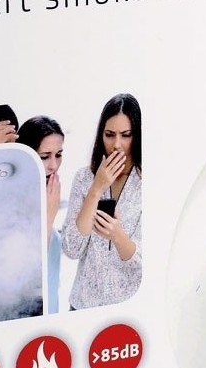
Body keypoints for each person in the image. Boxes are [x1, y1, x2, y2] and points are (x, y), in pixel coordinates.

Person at [62, 94, 142, 310]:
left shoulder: (146, 183)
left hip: (127, 309)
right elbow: (71, 249)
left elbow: (142, 263)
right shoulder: (84, 178)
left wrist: (117, 235)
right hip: (82, 307)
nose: (117, 145)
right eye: (109, 135)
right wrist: (96, 189)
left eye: (126, 135)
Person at [18, 115, 65, 314]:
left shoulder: (52, 199)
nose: (53, 165)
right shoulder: (14, 206)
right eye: (44, 156)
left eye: (58, 154)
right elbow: (26, 275)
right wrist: (49, 216)